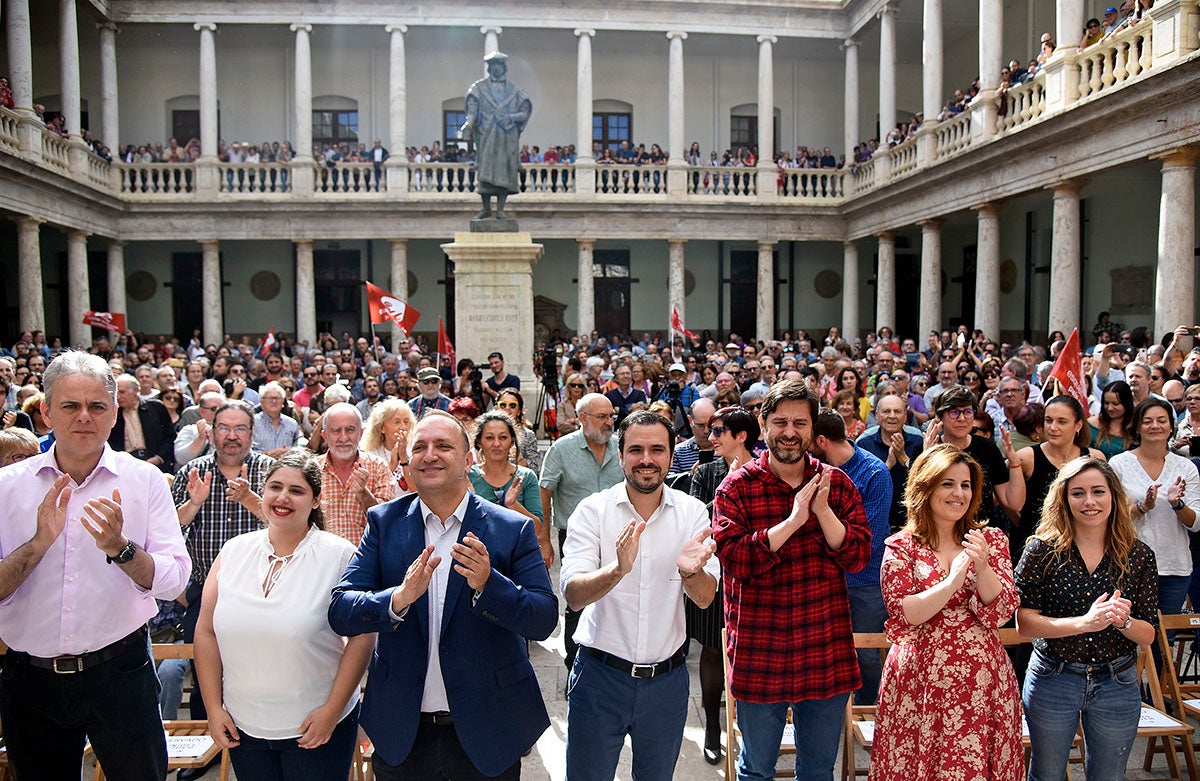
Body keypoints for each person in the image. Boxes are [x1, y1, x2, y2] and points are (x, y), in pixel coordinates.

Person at [328, 410, 558, 779]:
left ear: (469, 461)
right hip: (404, 733)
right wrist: (397, 599)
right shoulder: (384, 523)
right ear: (407, 462)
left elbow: (544, 618)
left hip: (488, 730)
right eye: (420, 447)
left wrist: (489, 584)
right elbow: (341, 610)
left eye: (444, 446)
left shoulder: (511, 529)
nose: (430, 454)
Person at [0, 351, 191, 779]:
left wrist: (121, 549)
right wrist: (37, 545)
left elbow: (175, 579)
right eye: (70, 405)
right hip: (29, 677)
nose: (84, 416)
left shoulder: (143, 481)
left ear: (113, 415)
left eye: (97, 406)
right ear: (46, 412)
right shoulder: (6, 487)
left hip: (120, 672)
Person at [713, 380, 871, 780]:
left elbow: (858, 557)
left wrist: (823, 513)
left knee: (818, 770)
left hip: (824, 648)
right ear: (763, 425)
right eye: (780, 421)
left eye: (800, 422)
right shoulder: (736, 487)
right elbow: (735, 560)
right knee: (756, 770)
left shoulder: (836, 484)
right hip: (760, 649)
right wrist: (792, 522)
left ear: (812, 428)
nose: (789, 431)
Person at [195, 450, 375, 780]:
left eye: (296, 490)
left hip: (315, 729)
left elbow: (363, 638)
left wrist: (332, 712)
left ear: (316, 500)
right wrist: (213, 707)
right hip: (243, 728)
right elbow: (206, 632)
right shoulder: (234, 551)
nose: (283, 498)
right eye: (275, 487)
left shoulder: (340, 556)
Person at [561, 410, 718, 780]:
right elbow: (573, 595)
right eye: (636, 450)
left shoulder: (693, 512)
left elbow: (706, 597)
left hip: (667, 682)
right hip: (599, 679)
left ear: (671, 452)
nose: (646, 459)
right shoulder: (593, 511)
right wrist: (617, 570)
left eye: (656, 449)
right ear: (620, 455)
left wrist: (689, 572)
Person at [871, 444, 1023, 780]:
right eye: (948, 483)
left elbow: (1000, 611)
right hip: (918, 683)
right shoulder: (901, 545)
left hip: (982, 682)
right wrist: (953, 580)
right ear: (925, 488)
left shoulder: (991, 540)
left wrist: (983, 567)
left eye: (966, 485)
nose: (959, 493)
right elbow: (905, 610)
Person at [1016, 457, 1158, 781]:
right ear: (1064, 498)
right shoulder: (1041, 550)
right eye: (1078, 493)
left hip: (1117, 681)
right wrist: (1085, 623)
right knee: (1047, 774)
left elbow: (1148, 633)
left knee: (1109, 776)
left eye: (1098, 491)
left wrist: (1124, 622)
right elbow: (1024, 622)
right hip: (1054, 677)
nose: (1089, 502)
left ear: (1113, 496)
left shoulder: (1138, 555)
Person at [172, 399, 274, 734]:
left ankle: (259, 739)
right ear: (211, 432)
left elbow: (293, 528)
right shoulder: (191, 472)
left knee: (262, 673)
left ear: (251, 432)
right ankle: (209, 745)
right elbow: (169, 532)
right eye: (224, 428)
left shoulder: (270, 473)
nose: (231, 436)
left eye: (239, 428)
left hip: (264, 590)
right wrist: (194, 502)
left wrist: (250, 498)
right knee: (207, 679)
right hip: (205, 594)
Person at [687, 405, 757, 764]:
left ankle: (753, 732)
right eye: (710, 431)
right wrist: (727, 487)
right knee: (713, 650)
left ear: (740, 436)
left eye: (719, 432)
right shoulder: (708, 471)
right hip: (715, 573)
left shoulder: (766, 470)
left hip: (756, 576)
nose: (710, 438)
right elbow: (700, 521)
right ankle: (713, 730)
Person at [809, 408, 893, 707]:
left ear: (820, 440)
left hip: (865, 581)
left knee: (865, 654)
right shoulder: (812, 470)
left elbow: (864, 539)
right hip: (823, 578)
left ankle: (867, 711)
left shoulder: (874, 472)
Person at [540, 393, 624, 671]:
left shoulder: (620, 448)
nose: (609, 422)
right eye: (602, 417)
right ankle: (575, 665)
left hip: (618, 536)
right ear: (583, 418)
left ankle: (611, 662)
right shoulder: (562, 449)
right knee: (578, 599)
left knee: (616, 596)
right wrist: (544, 538)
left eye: (611, 416)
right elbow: (545, 491)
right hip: (576, 538)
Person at [1110, 398, 1200, 621]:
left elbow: (1196, 523)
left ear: (1171, 426)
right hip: (1128, 564)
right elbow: (1110, 517)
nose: (1155, 426)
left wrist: (1177, 504)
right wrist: (1142, 507)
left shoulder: (1186, 467)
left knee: (1164, 639)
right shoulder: (1118, 464)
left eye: (1162, 420)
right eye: (1147, 421)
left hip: (1173, 567)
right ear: (1138, 426)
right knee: (1126, 631)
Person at [1015, 396, 1106, 562]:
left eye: (1062, 421)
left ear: (1078, 425)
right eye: (1048, 420)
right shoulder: (1025, 458)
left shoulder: (1094, 458)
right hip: (1035, 547)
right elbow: (1010, 503)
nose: (1053, 427)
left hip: (1082, 548)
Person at [461, 51, 532, 220]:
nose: (496, 68)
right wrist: (468, 124)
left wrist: (511, 117)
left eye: (499, 65)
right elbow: (472, 109)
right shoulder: (478, 88)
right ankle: (486, 209)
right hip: (486, 134)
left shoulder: (514, 91)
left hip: (506, 136)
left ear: (504, 67)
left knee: (505, 172)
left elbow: (525, 111)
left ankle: (500, 210)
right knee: (485, 172)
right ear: (489, 68)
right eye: (493, 65)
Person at [315, 403, 396, 546]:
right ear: (325, 436)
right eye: (336, 431)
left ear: (361, 433)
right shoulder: (312, 470)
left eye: (350, 430)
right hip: (320, 561)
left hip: (365, 561)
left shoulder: (378, 467)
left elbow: (388, 522)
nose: (343, 437)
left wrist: (363, 494)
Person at [468, 410, 543, 529]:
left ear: (512, 441)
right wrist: (472, 502)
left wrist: (513, 505)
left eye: (503, 437)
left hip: (518, 547)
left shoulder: (526, 477)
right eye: (489, 438)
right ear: (479, 442)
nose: (496, 443)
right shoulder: (468, 477)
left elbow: (537, 528)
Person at [361, 398, 416, 491]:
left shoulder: (416, 451)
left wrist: (404, 459)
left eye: (406, 422)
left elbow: (417, 491)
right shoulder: (371, 455)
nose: (402, 427)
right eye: (396, 422)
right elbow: (372, 492)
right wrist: (391, 466)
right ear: (382, 428)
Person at [495, 388, 541, 473]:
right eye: (503, 405)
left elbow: (535, 467)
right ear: (497, 407)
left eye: (512, 405)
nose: (507, 408)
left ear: (519, 411)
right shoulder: (487, 432)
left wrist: (518, 459)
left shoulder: (528, 435)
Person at [1089, 380, 1135, 460]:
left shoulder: (1137, 425)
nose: (1110, 408)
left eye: (1115, 404)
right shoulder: (1091, 424)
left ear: (1127, 403)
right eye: (1106, 403)